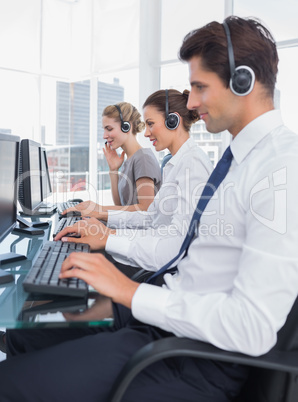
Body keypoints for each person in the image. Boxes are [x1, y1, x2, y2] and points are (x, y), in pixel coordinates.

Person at [1, 15, 298, 402]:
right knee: (27, 337)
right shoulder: (240, 160)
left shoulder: (280, 168)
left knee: (11, 384)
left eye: (199, 87)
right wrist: (119, 266)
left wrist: (127, 288)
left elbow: (253, 326)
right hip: (165, 321)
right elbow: (172, 237)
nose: (190, 103)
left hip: (189, 357)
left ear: (244, 80)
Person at [56, 89, 213, 272]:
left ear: (173, 121)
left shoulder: (192, 163)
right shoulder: (175, 163)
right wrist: (104, 223)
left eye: (151, 124)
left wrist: (108, 235)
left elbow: (176, 245)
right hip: (151, 250)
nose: (146, 133)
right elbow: (150, 218)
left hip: (167, 268)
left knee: (77, 263)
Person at [74, 102, 162, 213]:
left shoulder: (143, 159)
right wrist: (113, 169)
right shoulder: (129, 159)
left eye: (109, 129)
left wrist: (99, 209)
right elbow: (120, 205)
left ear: (127, 127)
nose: (104, 136)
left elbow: (146, 208)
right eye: (104, 130)